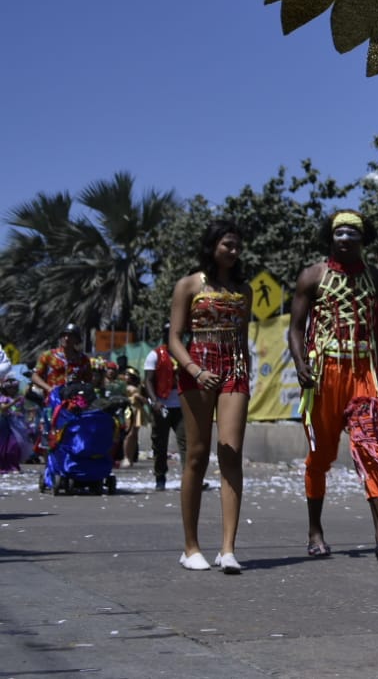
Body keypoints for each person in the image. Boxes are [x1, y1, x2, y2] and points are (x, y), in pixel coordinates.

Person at [288, 209, 378, 561]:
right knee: (320, 455)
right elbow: (295, 328)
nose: (346, 239)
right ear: (330, 238)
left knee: (371, 450)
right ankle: (314, 531)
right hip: (324, 374)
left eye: (353, 233)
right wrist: (301, 364)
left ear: (363, 239)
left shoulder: (377, 279)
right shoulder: (312, 276)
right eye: (340, 233)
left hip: (363, 372)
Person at [168, 219, 252, 573]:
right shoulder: (189, 284)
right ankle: (190, 547)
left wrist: (245, 370)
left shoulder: (243, 290)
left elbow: (244, 337)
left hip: (234, 367)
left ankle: (228, 548)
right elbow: (173, 338)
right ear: (212, 246)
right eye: (226, 245)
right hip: (197, 368)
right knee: (197, 456)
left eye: (236, 246)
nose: (233, 252)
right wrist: (194, 370)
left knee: (231, 451)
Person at [143, 325, 187, 491]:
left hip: (181, 405)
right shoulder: (155, 355)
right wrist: (154, 401)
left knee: (187, 442)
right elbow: (147, 380)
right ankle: (160, 476)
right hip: (162, 405)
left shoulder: (184, 354)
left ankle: (190, 477)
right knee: (160, 443)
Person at [31, 323, 91, 396]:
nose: (66, 338)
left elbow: (88, 382)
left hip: (74, 402)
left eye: (71, 336)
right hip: (52, 401)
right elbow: (35, 376)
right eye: (64, 335)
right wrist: (49, 389)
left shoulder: (83, 360)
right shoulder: (48, 356)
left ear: (77, 339)